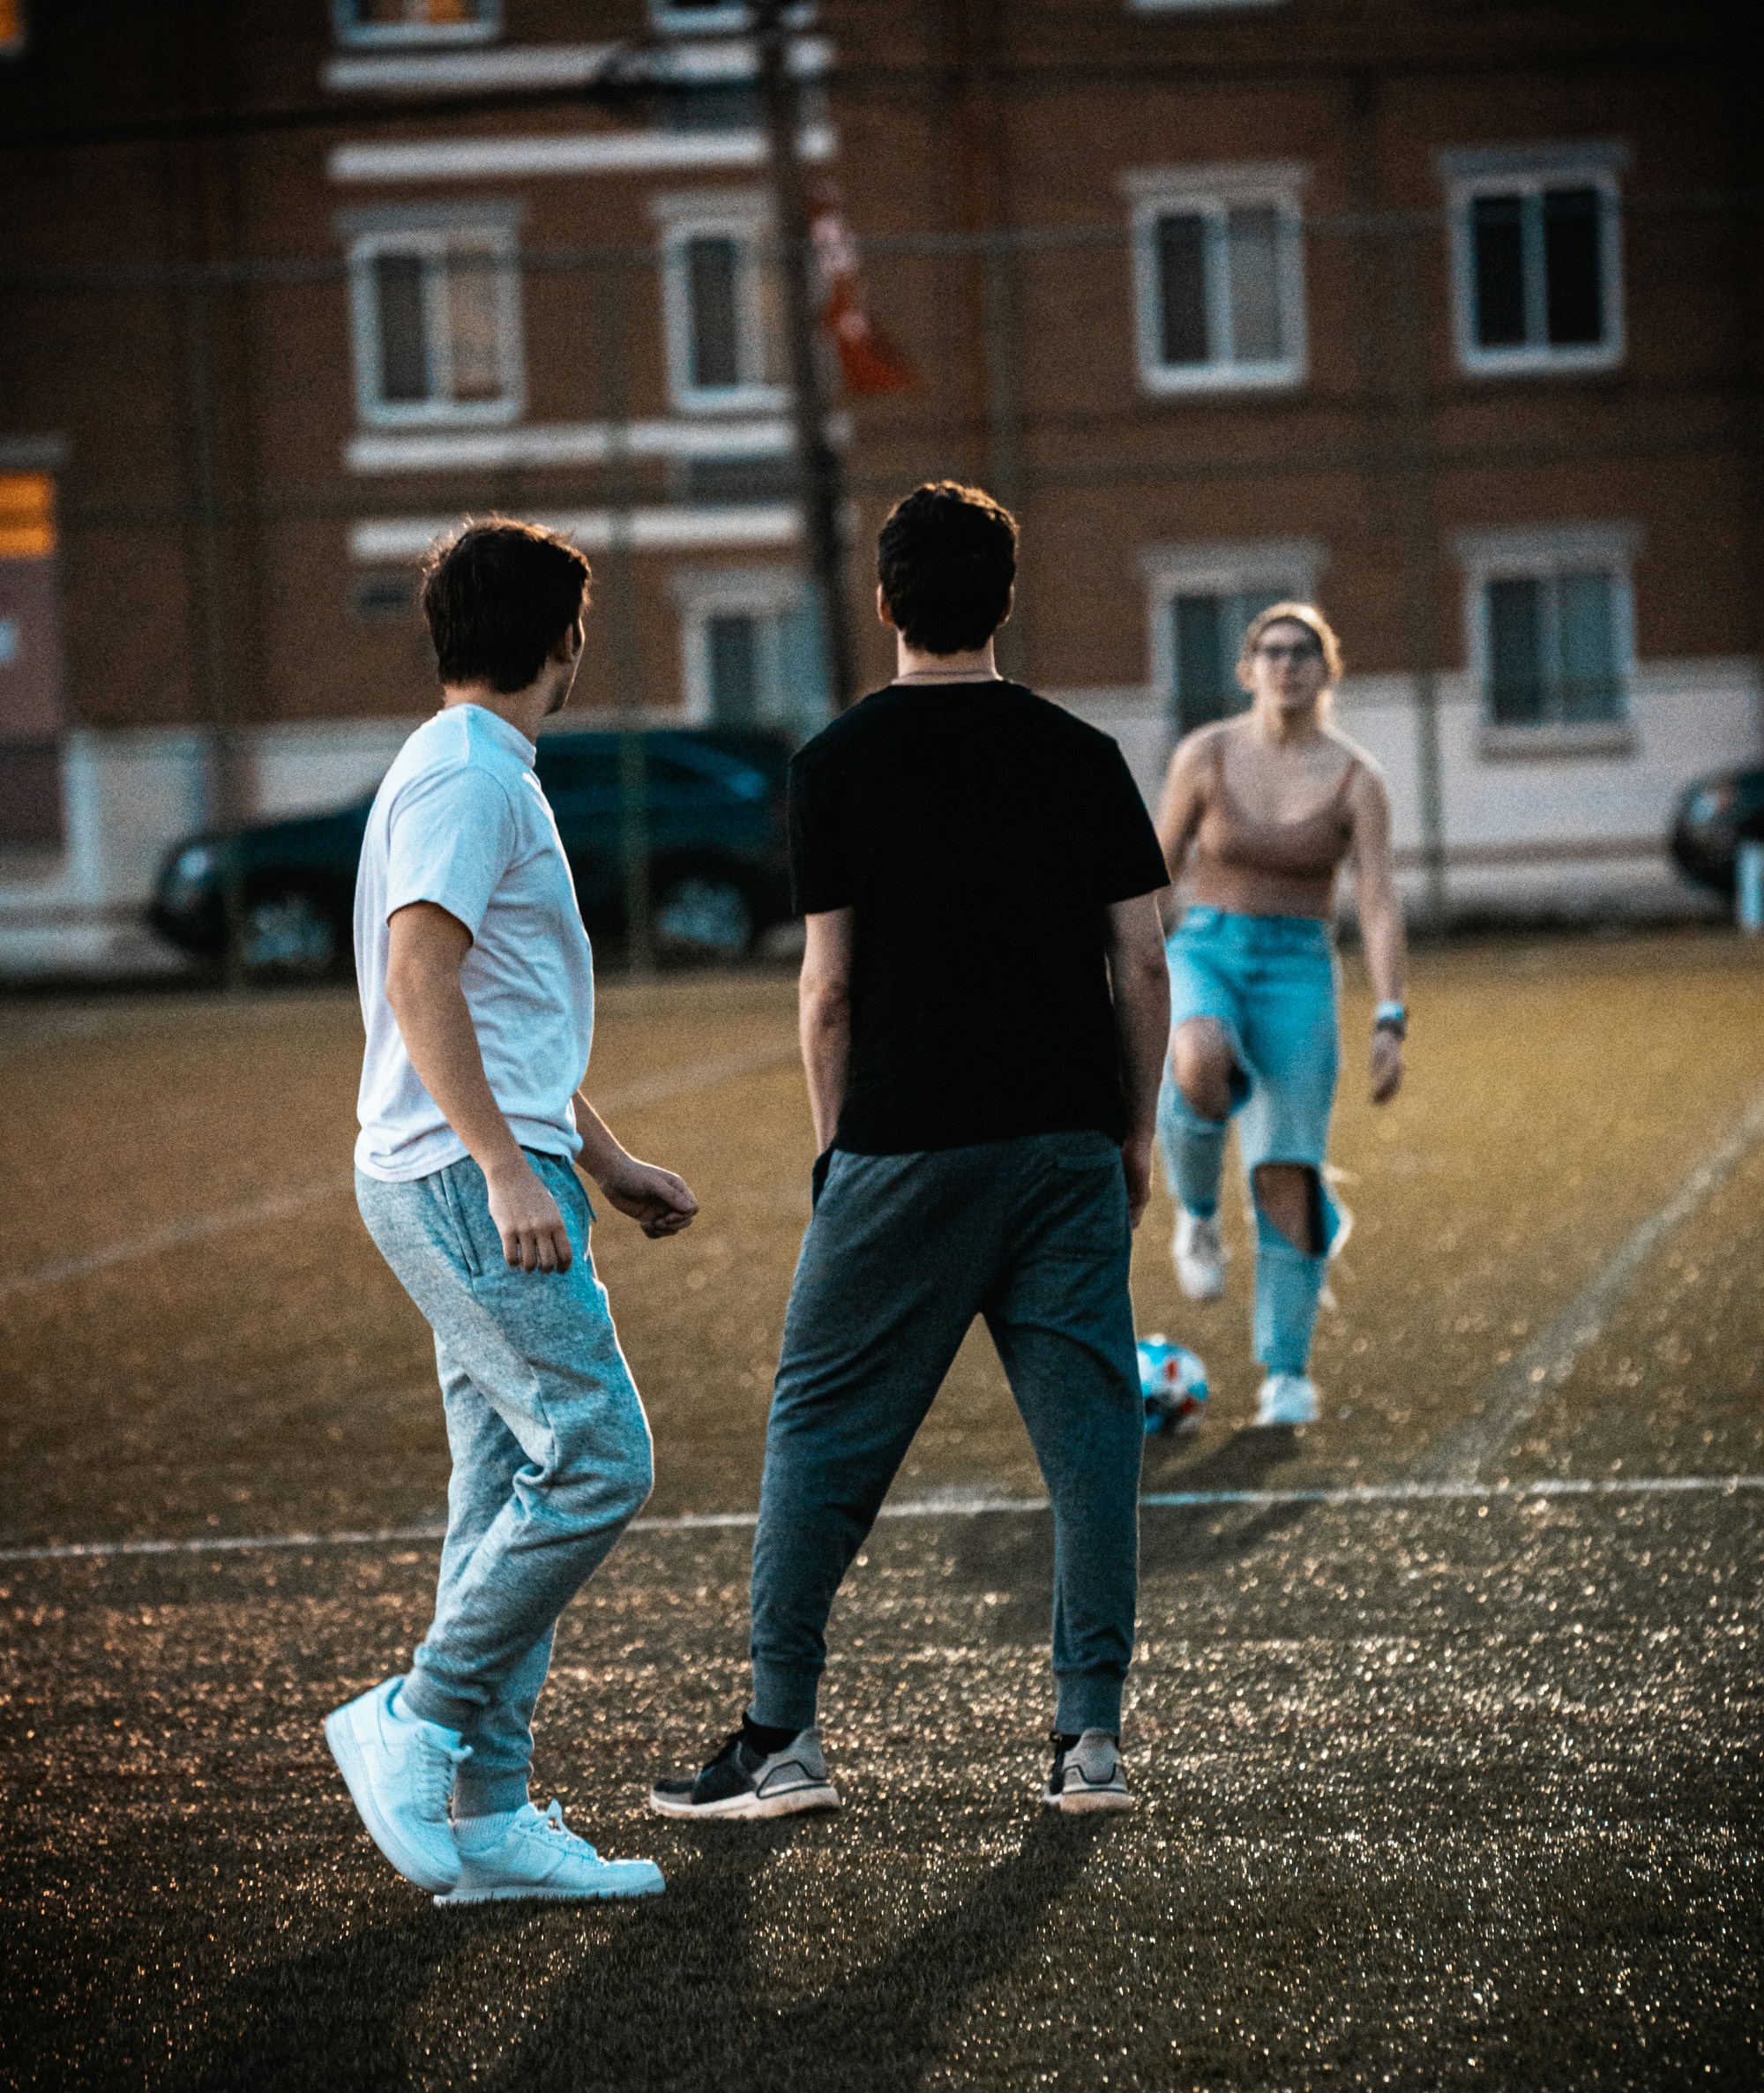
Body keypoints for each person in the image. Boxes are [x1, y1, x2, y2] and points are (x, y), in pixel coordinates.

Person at [650, 481, 1171, 1823]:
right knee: (1094, 1445)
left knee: (820, 1434)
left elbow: (826, 989)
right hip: (1062, 1139)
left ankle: (781, 1740)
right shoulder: (1081, 752)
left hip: (904, 1146)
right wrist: (1134, 1127)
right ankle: (1090, 1746)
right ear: (1006, 599)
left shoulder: (834, 764)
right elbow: (1142, 955)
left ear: (884, 604)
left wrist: (838, 1154)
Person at [325, 518, 699, 1905]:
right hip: (459, 1179)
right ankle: (419, 1722)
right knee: (601, 1460)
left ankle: (487, 1821)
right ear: (567, 642)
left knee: (503, 1488)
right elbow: (422, 974)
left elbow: (500, 1015)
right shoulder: (474, 776)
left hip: (490, 1165)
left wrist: (597, 1158)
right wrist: (500, 1166)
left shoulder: (469, 767)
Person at [1153, 602, 1407, 1427]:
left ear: (1326, 669)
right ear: (1248, 667)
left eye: (1303, 651)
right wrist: (1131, 973)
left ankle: (1286, 1374)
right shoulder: (1206, 753)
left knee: (1287, 1171)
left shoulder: (1356, 777)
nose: (1287, 664)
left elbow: (1375, 899)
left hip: (1299, 966)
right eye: (1272, 650)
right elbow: (1154, 872)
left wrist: (1390, 1015)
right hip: (1206, 951)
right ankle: (1195, 1217)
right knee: (1196, 1060)